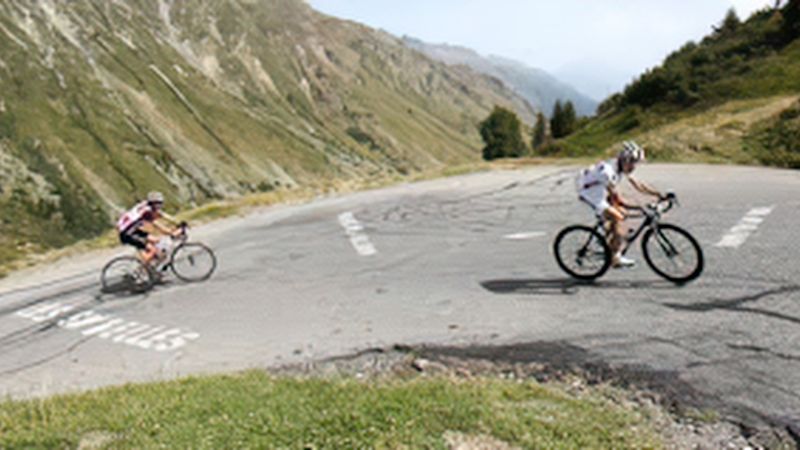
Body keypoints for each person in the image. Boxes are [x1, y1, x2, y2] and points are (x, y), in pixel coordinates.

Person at [576, 141, 663, 267]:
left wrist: (658, 194)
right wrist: (639, 207)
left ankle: (608, 238)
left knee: (619, 216)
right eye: (632, 163)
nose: (633, 167)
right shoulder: (608, 172)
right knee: (619, 217)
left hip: (600, 187)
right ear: (624, 160)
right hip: (590, 193)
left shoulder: (620, 166)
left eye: (635, 163)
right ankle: (615, 258)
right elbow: (617, 199)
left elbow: (638, 184)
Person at [117, 191, 182, 267]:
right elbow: (157, 225)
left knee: (156, 240)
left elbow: (162, 214)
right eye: (158, 203)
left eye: (161, 203)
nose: (160, 206)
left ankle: (150, 264)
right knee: (153, 250)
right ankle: (142, 269)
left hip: (131, 230)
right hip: (127, 233)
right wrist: (171, 233)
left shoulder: (147, 205)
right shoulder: (146, 212)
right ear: (153, 203)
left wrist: (177, 222)